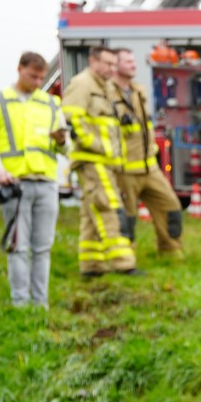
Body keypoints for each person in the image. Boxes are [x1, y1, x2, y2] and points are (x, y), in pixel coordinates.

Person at [0, 50, 66, 307]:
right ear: (19, 69)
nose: (38, 82)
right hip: (14, 185)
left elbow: (64, 148)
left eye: (41, 78)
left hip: (47, 183)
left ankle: (40, 305)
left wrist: (62, 141)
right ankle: (20, 304)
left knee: (42, 248)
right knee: (18, 247)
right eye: (33, 76)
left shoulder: (51, 104)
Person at [60, 45, 139, 277]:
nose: (111, 69)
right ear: (93, 61)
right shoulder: (83, 84)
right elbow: (71, 119)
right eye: (107, 63)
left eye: (114, 64)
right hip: (92, 159)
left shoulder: (103, 86)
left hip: (104, 160)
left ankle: (91, 265)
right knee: (109, 207)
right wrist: (95, 145)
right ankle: (123, 263)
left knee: (90, 211)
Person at [112, 47, 184, 259]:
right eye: (127, 62)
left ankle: (171, 252)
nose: (134, 65)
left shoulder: (138, 90)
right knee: (127, 218)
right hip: (124, 169)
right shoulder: (108, 93)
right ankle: (124, 260)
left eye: (133, 61)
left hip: (148, 166)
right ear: (114, 66)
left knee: (171, 207)